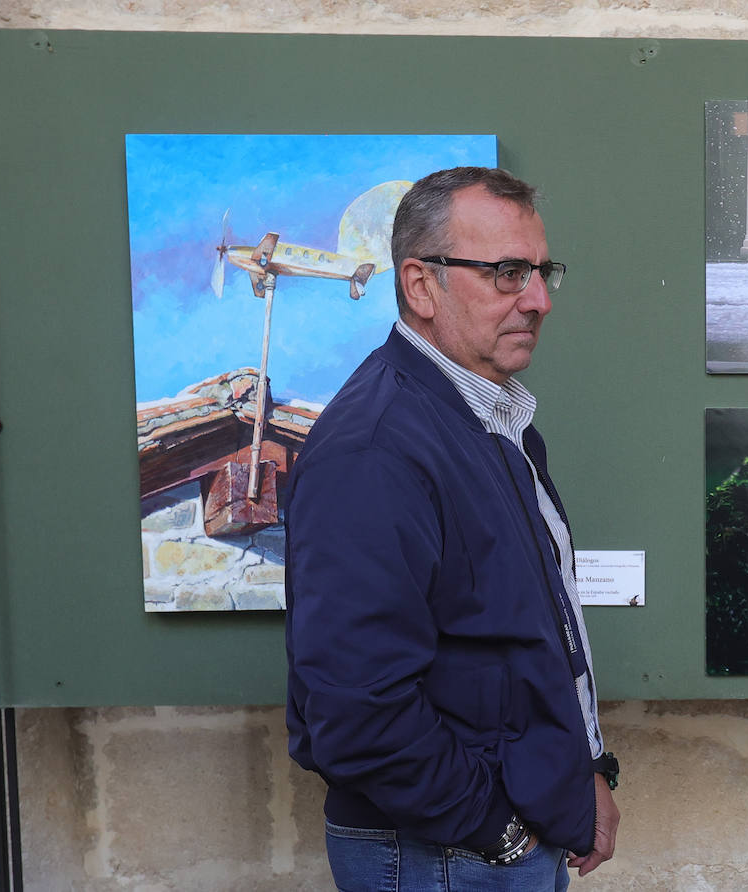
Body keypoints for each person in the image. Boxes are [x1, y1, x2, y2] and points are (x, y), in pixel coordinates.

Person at [284, 166, 619, 891]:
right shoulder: (377, 450)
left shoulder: (489, 421)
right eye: (505, 274)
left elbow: (525, 639)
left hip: (490, 842)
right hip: (442, 855)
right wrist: (494, 830)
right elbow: (355, 708)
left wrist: (582, 771)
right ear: (419, 285)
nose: (539, 300)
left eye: (540, 270)